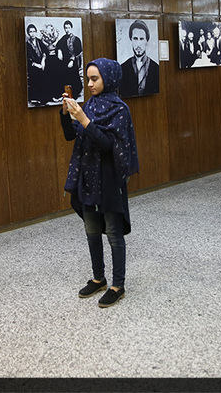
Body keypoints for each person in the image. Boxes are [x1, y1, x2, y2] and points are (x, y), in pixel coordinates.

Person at [60, 58, 139, 308]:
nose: (90, 84)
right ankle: (98, 278)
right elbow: (71, 135)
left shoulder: (120, 109)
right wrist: (66, 115)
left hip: (108, 178)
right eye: (88, 79)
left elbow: (109, 146)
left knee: (114, 234)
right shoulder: (90, 105)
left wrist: (84, 120)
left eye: (95, 79)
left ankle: (118, 285)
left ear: (109, 78)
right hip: (87, 176)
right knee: (91, 230)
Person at [119, 20, 159, 97]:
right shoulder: (123, 67)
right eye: (135, 38)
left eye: (141, 39)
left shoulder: (156, 68)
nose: (138, 44)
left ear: (146, 41)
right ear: (131, 40)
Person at [56, 20, 83, 99]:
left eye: (68, 28)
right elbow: (58, 45)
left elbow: (78, 51)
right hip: (65, 62)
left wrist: (72, 60)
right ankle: (64, 93)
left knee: (73, 75)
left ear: (71, 28)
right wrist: (59, 51)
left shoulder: (76, 39)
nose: (67, 30)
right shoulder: (64, 38)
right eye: (65, 28)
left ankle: (75, 93)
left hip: (73, 62)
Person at [25, 23, 47, 106]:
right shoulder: (27, 44)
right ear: (28, 33)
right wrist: (37, 65)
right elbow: (28, 59)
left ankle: (49, 95)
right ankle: (38, 98)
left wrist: (43, 60)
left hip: (42, 63)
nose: (32, 33)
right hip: (33, 66)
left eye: (34, 31)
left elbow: (45, 51)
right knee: (37, 74)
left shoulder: (39, 41)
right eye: (30, 32)